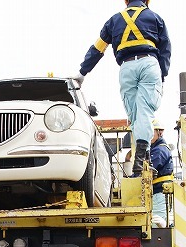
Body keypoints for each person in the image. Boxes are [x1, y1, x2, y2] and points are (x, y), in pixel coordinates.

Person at [73, 0, 171, 176]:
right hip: (149, 63)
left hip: (126, 67)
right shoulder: (155, 18)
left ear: (126, 1)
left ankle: (143, 159)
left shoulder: (114, 20)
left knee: (134, 115)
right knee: (144, 112)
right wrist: (162, 76)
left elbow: (97, 49)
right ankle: (142, 160)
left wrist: (82, 73)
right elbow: (165, 50)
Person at [149, 119, 173, 222]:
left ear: (160, 132)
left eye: (151, 131)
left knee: (156, 225)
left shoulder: (159, 150)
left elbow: (146, 170)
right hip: (158, 194)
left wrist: (130, 180)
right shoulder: (157, 149)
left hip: (159, 194)